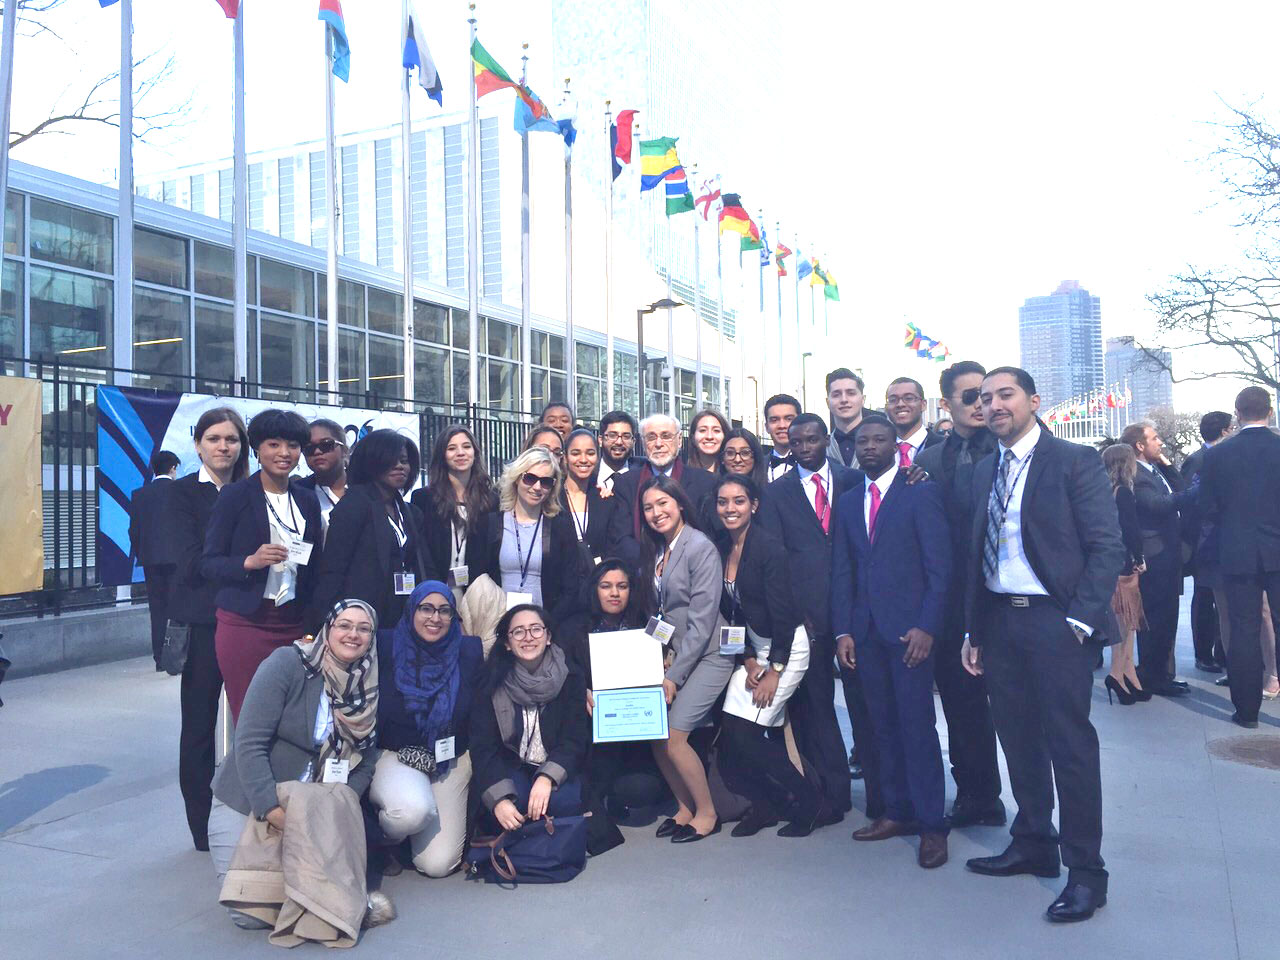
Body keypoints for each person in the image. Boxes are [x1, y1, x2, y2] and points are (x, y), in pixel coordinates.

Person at [962, 367, 1123, 923]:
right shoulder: (985, 468)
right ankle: (1033, 841)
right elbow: (975, 553)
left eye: (1005, 395)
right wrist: (974, 630)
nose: (994, 405)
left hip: (1056, 623)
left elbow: (1107, 546)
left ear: (1033, 400)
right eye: (985, 398)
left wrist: (1078, 622)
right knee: (1017, 740)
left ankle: (1087, 873)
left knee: (1070, 747)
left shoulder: (1074, 461)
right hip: (999, 621)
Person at [208, 599, 392, 939]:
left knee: (317, 904)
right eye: (344, 625)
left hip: (314, 808)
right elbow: (249, 743)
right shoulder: (287, 664)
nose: (353, 635)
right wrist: (271, 808)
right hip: (251, 799)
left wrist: (336, 805)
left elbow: (366, 761)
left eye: (364, 629)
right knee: (249, 914)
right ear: (328, 629)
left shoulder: (368, 684)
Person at [832, 414, 951, 868]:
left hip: (909, 635)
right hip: (865, 635)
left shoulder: (920, 492)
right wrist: (843, 630)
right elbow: (843, 570)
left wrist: (928, 627)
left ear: (894, 446)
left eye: (879, 440)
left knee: (916, 728)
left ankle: (932, 825)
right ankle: (897, 812)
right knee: (881, 728)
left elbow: (940, 567)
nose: (869, 447)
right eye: (863, 441)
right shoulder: (848, 502)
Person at [914, 360, 1005, 828]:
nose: (981, 404)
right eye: (970, 397)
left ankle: (1037, 816)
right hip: (953, 604)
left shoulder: (1014, 449)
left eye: (986, 395)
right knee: (962, 707)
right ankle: (977, 794)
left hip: (1006, 600)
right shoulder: (929, 461)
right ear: (947, 403)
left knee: (1017, 711)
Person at [756, 413, 857, 823]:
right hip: (808, 616)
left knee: (866, 706)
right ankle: (831, 793)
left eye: (811, 440)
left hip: (854, 611)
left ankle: (886, 796)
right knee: (816, 707)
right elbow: (777, 559)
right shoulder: (776, 493)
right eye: (796, 442)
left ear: (825, 439)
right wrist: (796, 613)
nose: (803, 448)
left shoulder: (852, 481)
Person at [712, 474, 821, 838]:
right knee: (732, 732)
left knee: (749, 733)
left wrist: (774, 670)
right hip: (754, 649)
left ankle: (809, 801)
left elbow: (784, 616)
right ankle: (766, 805)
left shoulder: (769, 549)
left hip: (786, 647)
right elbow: (731, 614)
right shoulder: (722, 547)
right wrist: (747, 659)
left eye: (739, 501)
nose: (730, 508)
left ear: (754, 506)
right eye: (723, 502)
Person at [202, 409, 324, 724]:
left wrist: (311, 625)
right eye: (274, 444)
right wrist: (249, 562)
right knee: (252, 718)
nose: (284, 453)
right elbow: (209, 563)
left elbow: (314, 568)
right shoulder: (235, 496)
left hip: (294, 624)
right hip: (246, 624)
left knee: (293, 718)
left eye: (293, 446)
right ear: (257, 449)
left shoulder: (307, 499)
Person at [169, 408, 249, 850]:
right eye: (214, 439)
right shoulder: (181, 494)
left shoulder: (254, 489)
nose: (223, 447)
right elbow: (189, 561)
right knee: (199, 726)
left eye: (231, 439)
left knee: (254, 722)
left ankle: (254, 815)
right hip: (204, 622)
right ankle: (201, 827)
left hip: (249, 620)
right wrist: (243, 564)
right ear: (198, 444)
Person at [639, 476, 732, 842]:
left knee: (676, 734)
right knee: (656, 734)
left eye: (663, 503)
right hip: (677, 654)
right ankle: (685, 808)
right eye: (648, 507)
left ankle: (707, 813)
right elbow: (662, 613)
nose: (656, 513)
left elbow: (702, 621)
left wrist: (674, 674)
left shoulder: (699, 546)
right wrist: (656, 655)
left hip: (710, 654)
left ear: (679, 504)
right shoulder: (659, 549)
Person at [371, 580, 484, 877]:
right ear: (411, 611)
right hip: (396, 753)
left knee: (437, 864)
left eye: (445, 610)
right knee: (410, 814)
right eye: (426, 609)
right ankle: (380, 838)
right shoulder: (384, 645)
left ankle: (414, 835)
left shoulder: (469, 651)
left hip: (449, 757)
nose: (435, 618)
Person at [559, 558, 663, 855]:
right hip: (593, 729)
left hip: (638, 729)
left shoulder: (648, 623)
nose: (614, 593)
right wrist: (580, 690)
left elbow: (669, 651)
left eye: (622, 586)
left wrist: (666, 668)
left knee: (642, 790)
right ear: (594, 589)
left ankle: (616, 797)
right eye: (606, 586)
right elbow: (563, 671)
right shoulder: (573, 628)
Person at [470, 604, 589, 841]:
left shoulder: (570, 676)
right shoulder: (490, 680)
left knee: (563, 802)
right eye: (518, 632)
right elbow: (484, 747)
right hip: (510, 764)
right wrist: (499, 799)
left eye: (536, 629)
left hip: (555, 761)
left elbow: (574, 740)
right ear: (507, 642)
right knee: (512, 804)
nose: (528, 637)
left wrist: (547, 777)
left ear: (548, 637)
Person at [1199, 386, 1280, 729]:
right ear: (1270, 411)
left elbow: (1207, 506)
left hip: (1237, 551)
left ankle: (1247, 711)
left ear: (1238, 412)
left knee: (1244, 630)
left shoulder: (1218, 455)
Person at [310, 429, 436, 631]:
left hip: (406, 614)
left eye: (404, 461)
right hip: (362, 617)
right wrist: (317, 624)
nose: (399, 466)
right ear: (372, 462)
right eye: (391, 460)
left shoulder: (411, 512)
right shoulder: (354, 504)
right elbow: (333, 569)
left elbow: (425, 566)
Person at [1121, 421, 1192, 697]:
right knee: (1156, 617)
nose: (1160, 442)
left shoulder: (1153, 469)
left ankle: (1161, 673)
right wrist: (1194, 494)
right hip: (1155, 555)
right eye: (1154, 438)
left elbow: (1179, 488)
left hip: (1168, 554)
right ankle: (1152, 675)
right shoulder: (1137, 474)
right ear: (1140, 445)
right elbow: (1157, 504)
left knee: (1167, 616)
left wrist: (1167, 464)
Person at [481, 445, 587, 625]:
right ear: (517, 479)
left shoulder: (561, 528)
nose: (537, 487)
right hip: (498, 624)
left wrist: (547, 625)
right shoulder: (491, 524)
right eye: (530, 478)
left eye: (545, 482)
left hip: (544, 626)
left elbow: (570, 587)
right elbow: (480, 577)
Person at [605, 413, 720, 549]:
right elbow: (621, 538)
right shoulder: (625, 483)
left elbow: (713, 535)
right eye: (651, 437)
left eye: (666, 436)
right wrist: (651, 560)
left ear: (679, 440)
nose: (658, 444)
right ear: (643, 443)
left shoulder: (705, 482)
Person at [411, 424, 498, 590]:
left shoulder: (491, 501)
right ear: (442, 455)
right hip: (435, 590)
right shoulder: (423, 498)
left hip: (477, 592)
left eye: (466, 446)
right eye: (452, 448)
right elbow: (421, 552)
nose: (460, 453)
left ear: (475, 453)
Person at [1181, 411, 1233, 673]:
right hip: (1202, 541)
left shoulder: (1226, 457)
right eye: (1231, 428)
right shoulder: (1197, 460)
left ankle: (1223, 653)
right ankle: (1204, 654)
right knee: (1204, 598)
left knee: (1221, 600)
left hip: (1221, 540)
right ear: (1224, 431)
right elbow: (1188, 501)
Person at [1101, 444, 1149, 705]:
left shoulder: (1102, 492)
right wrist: (1139, 558)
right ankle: (1117, 674)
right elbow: (1131, 530)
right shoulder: (1124, 493)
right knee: (1126, 620)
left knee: (1124, 621)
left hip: (1108, 562)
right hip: (1124, 563)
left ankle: (1128, 673)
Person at [130, 449, 180, 670]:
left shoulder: (140, 495)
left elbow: (134, 531)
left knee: (157, 610)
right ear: (173, 468)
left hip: (151, 561)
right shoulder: (180, 491)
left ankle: (159, 658)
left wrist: (143, 554)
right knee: (180, 608)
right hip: (178, 560)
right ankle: (178, 655)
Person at [561, 428, 618, 564]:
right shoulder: (552, 498)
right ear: (565, 458)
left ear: (598, 457)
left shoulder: (605, 500)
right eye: (575, 453)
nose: (583, 460)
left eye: (590, 453)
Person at [297, 419, 348, 542]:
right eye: (309, 448)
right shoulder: (296, 493)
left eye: (326, 445)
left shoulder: (367, 489)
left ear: (344, 450)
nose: (317, 452)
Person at [885, 377, 941, 467]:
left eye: (908, 398)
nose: (900, 404)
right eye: (893, 400)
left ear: (923, 405)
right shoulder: (879, 449)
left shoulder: (944, 447)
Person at [825, 368, 866, 469]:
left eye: (851, 393)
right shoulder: (822, 448)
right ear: (827, 402)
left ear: (863, 399)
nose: (844, 400)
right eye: (836, 395)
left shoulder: (882, 443)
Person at [596, 410, 643, 493]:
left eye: (626, 436)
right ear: (600, 440)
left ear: (633, 442)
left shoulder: (643, 472)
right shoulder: (588, 475)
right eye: (612, 435)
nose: (619, 442)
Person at [763, 393, 802, 481]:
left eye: (788, 419)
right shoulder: (757, 466)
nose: (782, 425)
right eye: (774, 420)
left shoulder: (816, 462)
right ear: (767, 427)